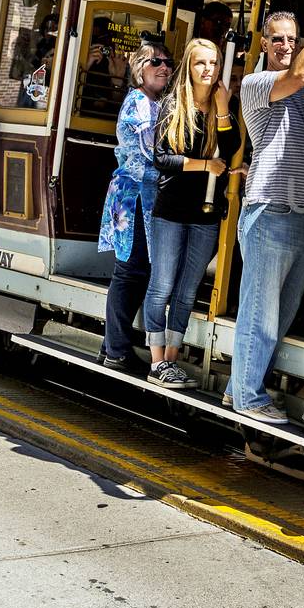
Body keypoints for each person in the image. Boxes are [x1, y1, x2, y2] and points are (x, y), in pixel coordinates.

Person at [224, 0, 304, 423]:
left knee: (277, 315)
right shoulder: (259, 84)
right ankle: (248, 397)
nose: (286, 45)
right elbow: (301, 74)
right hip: (268, 210)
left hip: (300, 213)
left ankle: (236, 388)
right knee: (260, 313)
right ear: (264, 44)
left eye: (291, 39)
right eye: (277, 39)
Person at [143, 38, 241, 388]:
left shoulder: (220, 107)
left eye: (213, 63)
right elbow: (161, 159)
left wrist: (224, 108)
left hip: (206, 213)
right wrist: (205, 165)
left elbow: (230, 150)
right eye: (201, 63)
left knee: (187, 290)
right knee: (162, 286)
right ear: (189, 66)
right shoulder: (173, 105)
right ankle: (157, 361)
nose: (208, 70)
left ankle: (172, 358)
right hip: (170, 210)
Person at [96, 41, 172, 373]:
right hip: (133, 196)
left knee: (137, 272)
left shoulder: (157, 104)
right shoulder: (137, 104)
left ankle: (111, 344)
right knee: (130, 272)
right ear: (140, 68)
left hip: (145, 196)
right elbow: (145, 157)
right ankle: (116, 351)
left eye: (169, 63)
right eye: (156, 61)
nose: (164, 67)